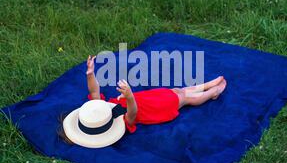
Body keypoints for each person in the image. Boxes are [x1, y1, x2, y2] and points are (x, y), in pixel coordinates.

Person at [60, 56, 227, 148]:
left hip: (149, 98)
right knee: (185, 98)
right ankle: (212, 93)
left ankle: (207, 85)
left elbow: (94, 90)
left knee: (177, 90)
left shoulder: (101, 110)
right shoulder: (121, 122)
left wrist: (90, 73)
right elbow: (132, 113)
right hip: (157, 109)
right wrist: (129, 96)